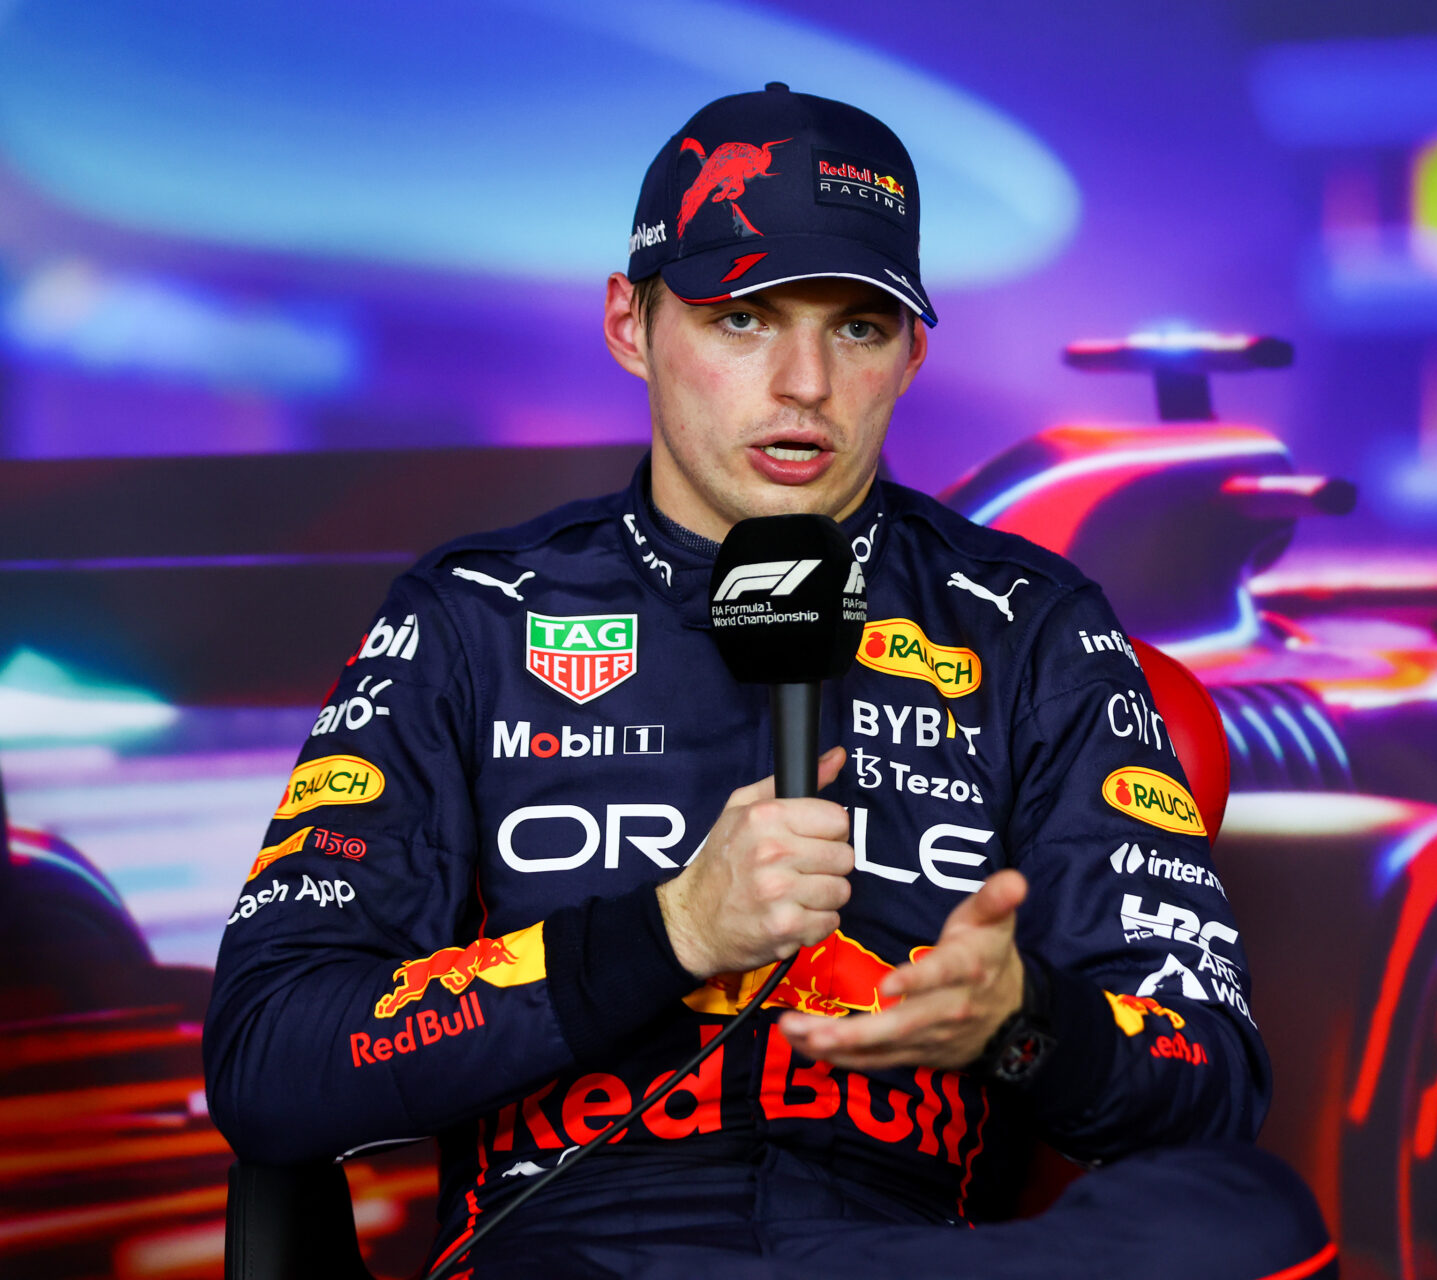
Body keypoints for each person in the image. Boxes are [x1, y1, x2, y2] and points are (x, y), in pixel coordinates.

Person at [205, 84, 1333, 1280]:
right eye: (743, 317)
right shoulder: (473, 616)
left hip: (900, 1256)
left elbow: (1210, 1083)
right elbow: (271, 1060)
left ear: (912, 354)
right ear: (631, 323)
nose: (804, 383)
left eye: (858, 327)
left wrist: (1022, 1021)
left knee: (1248, 1208)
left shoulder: (1031, 627)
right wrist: (669, 930)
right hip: (578, 1252)